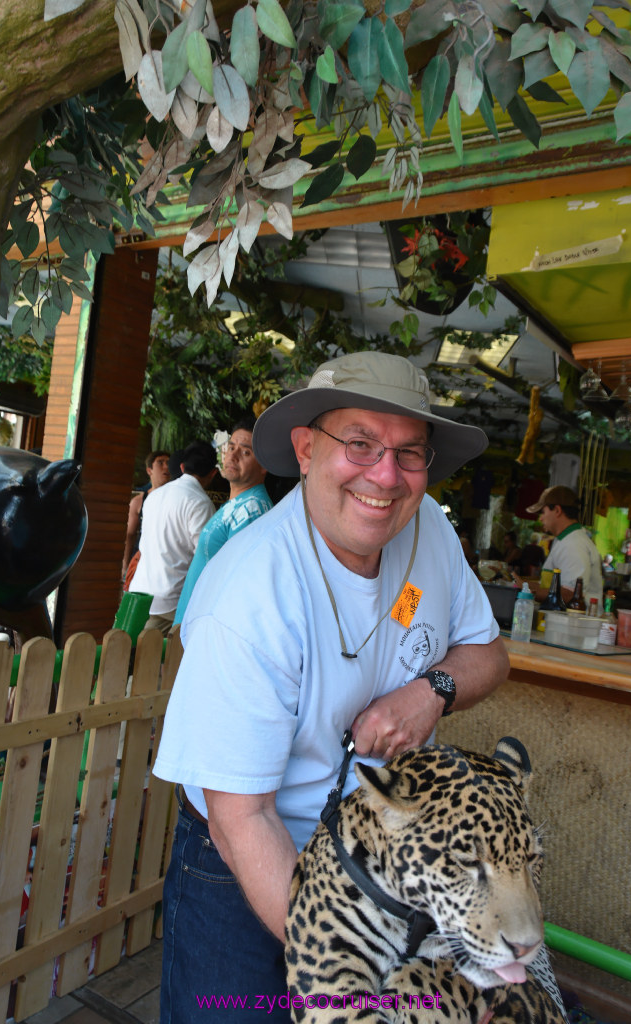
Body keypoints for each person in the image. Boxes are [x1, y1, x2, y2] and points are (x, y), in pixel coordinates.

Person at [153, 352, 553, 1024]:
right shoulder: (250, 597)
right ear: (306, 451)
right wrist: (362, 983)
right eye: (360, 444)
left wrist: (430, 691)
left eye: (409, 453)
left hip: (383, 853)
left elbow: (488, 652)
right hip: (246, 853)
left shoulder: (428, 529)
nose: (386, 476)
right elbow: (239, 819)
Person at [174, 418, 273, 624]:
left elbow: (238, 584)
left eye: (245, 452)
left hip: (204, 631)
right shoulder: (238, 503)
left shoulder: (251, 508)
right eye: (231, 447)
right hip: (192, 627)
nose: (233, 455)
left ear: (264, 465)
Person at [128, 441, 217, 635]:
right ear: (213, 473)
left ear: (182, 467)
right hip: (170, 602)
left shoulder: (154, 496)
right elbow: (205, 557)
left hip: (139, 591)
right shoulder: (200, 503)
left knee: (132, 656)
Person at [521, 485, 603, 605]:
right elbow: (550, 586)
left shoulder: (574, 544)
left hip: (575, 622)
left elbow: (569, 595)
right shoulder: (564, 540)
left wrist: (525, 592)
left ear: (557, 511)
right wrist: (520, 584)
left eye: (543, 512)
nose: (541, 518)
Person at [121, 449, 171, 583]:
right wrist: (125, 565)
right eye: (160, 463)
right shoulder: (139, 501)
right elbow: (130, 535)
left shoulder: (175, 500)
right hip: (141, 560)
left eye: (168, 463)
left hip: (167, 563)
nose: (166, 466)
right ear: (149, 470)